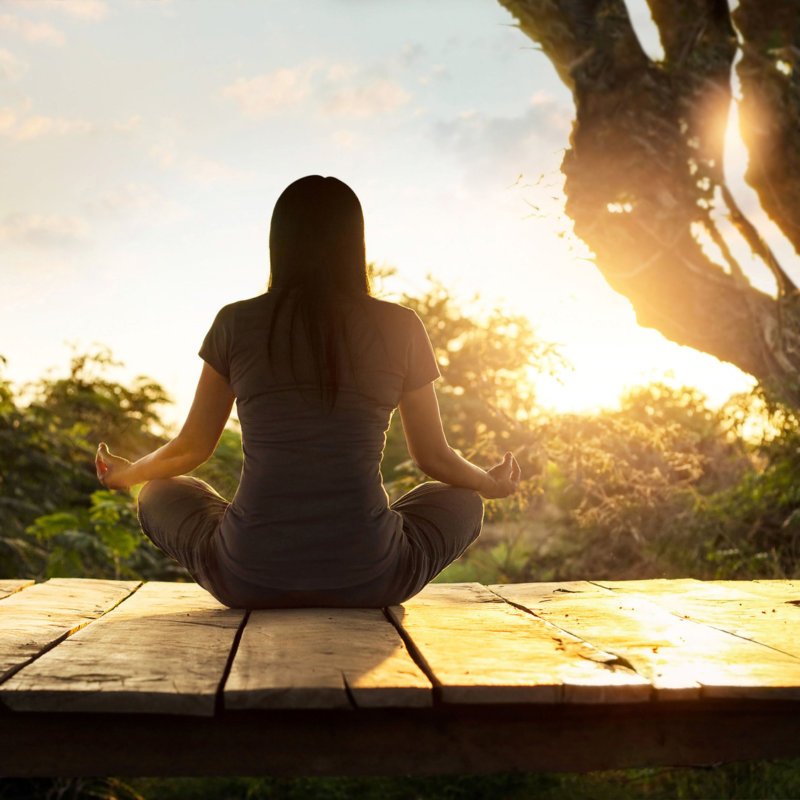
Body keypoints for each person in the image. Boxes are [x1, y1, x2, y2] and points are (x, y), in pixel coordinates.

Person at [95, 175, 521, 609]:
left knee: (158, 492)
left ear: (278, 242)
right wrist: (489, 483)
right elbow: (433, 457)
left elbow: (190, 448)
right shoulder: (401, 325)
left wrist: (127, 476)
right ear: (355, 242)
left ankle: (247, 539)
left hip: (247, 577)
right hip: (371, 577)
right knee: (462, 500)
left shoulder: (235, 323)